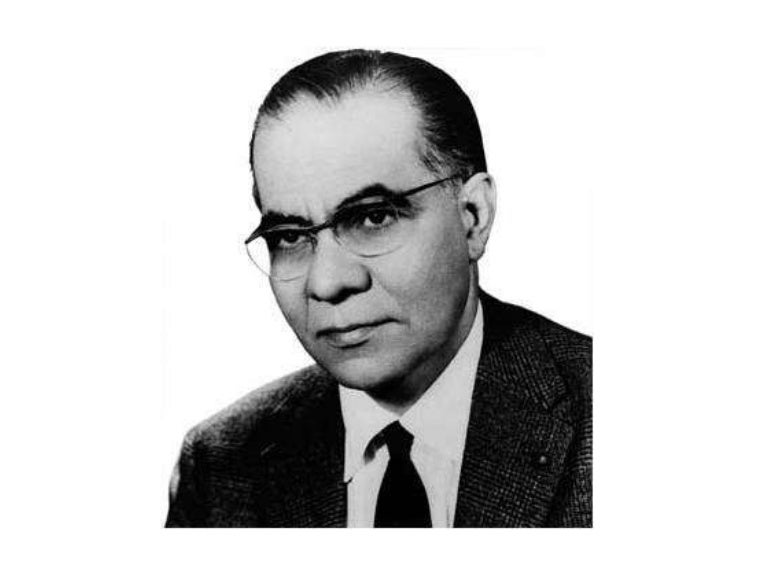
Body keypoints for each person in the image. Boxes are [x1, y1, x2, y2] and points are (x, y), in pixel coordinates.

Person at [165, 49, 592, 528]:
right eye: (289, 237)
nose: (327, 283)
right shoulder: (221, 464)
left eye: (373, 217)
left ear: (473, 217)